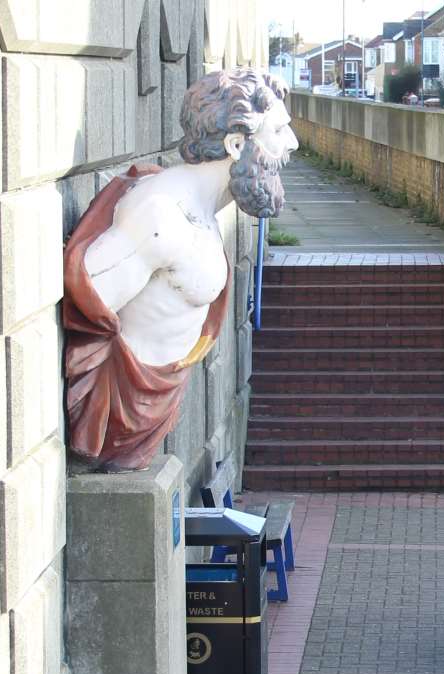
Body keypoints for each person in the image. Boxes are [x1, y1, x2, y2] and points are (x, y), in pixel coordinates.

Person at [62, 68, 298, 471]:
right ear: (237, 143)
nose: (292, 144)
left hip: (152, 402)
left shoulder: (200, 211)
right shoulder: (161, 216)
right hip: (124, 407)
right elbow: (87, 300)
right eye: (278, 132)